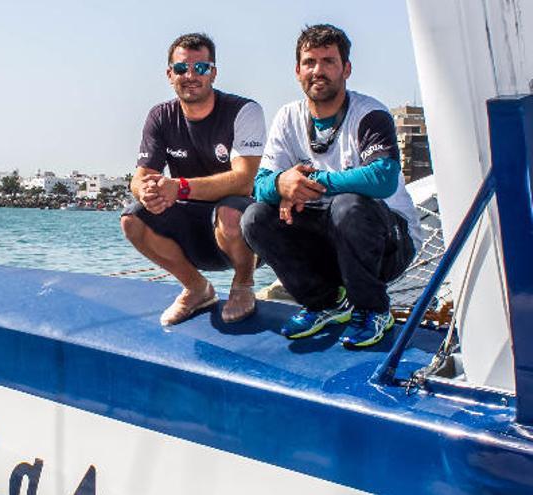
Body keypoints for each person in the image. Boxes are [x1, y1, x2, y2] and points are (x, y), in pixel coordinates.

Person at [241, 24, 422, 349]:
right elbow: (259, 186)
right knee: (254, 217)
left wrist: (312, 183)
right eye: (310, 62)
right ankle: (326, 303)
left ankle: (374, 310)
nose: (318, 71)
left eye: (328, 61)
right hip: (331, 244)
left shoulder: (370, 114)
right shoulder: (288, 117)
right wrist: (283, 183)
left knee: (348, 205)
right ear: (297, 71)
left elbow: (382, 177)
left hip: (390, 243)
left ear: (346, 69)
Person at [121, 33, 266, 326]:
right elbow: (140, 177)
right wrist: (146, 190)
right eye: (181, 69)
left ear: (213, 72)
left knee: (230, 212)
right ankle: (197, 288)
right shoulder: (160, 116)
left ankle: (243, 285)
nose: (190, 76)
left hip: (243, 233)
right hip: (192, 228)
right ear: (169, 74)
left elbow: (244, 181)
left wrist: (181, 187)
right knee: (132, 220)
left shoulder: (243, 110)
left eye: (200, 68)